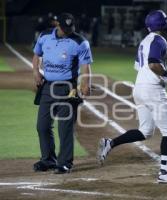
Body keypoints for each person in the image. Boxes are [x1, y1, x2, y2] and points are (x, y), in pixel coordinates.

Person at [98, 10, 167, 184]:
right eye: (165, 21)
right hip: (153, 89)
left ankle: (111, 143)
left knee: (145, 131)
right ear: (160, 25)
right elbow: (153, 64)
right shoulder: (159, 40)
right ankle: (165, 172)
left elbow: (139, 67)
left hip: (139, 88)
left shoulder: (144, 41)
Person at [32, 13, 92, 174]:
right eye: (64, 28)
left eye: (70, 28)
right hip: (47, 88)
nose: (67, 31)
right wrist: (36, 72)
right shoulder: (44, 36)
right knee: (42, 126)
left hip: (69, 88)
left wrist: (86, 84)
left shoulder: (80, 42)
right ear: (57, 25)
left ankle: (65, 162)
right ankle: (48, 160)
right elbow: (37, 54)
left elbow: (85, 66)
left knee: (65, 127)